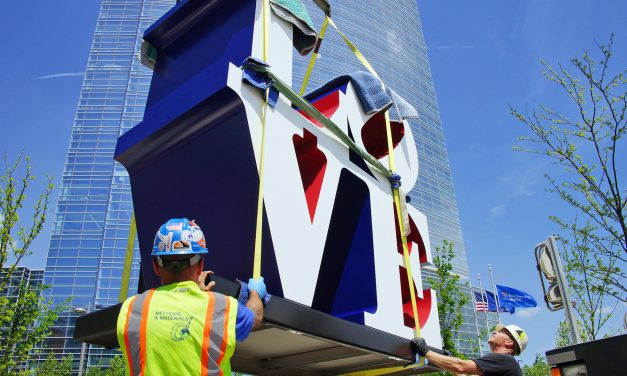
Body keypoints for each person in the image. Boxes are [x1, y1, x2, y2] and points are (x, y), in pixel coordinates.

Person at [117, 218, 266, 375]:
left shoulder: (132, 308)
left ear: (156, 266)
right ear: (200, 266)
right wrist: (255, 293)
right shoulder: (220, 307)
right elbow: (255, 317)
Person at [412, 324, 527, 376]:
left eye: (501, 332)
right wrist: (449, 360)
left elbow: (461, 366)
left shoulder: (505, 361)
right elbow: (462, 371)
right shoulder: (503, 365)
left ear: (509, 342)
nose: (494, 332)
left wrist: (425, 351)